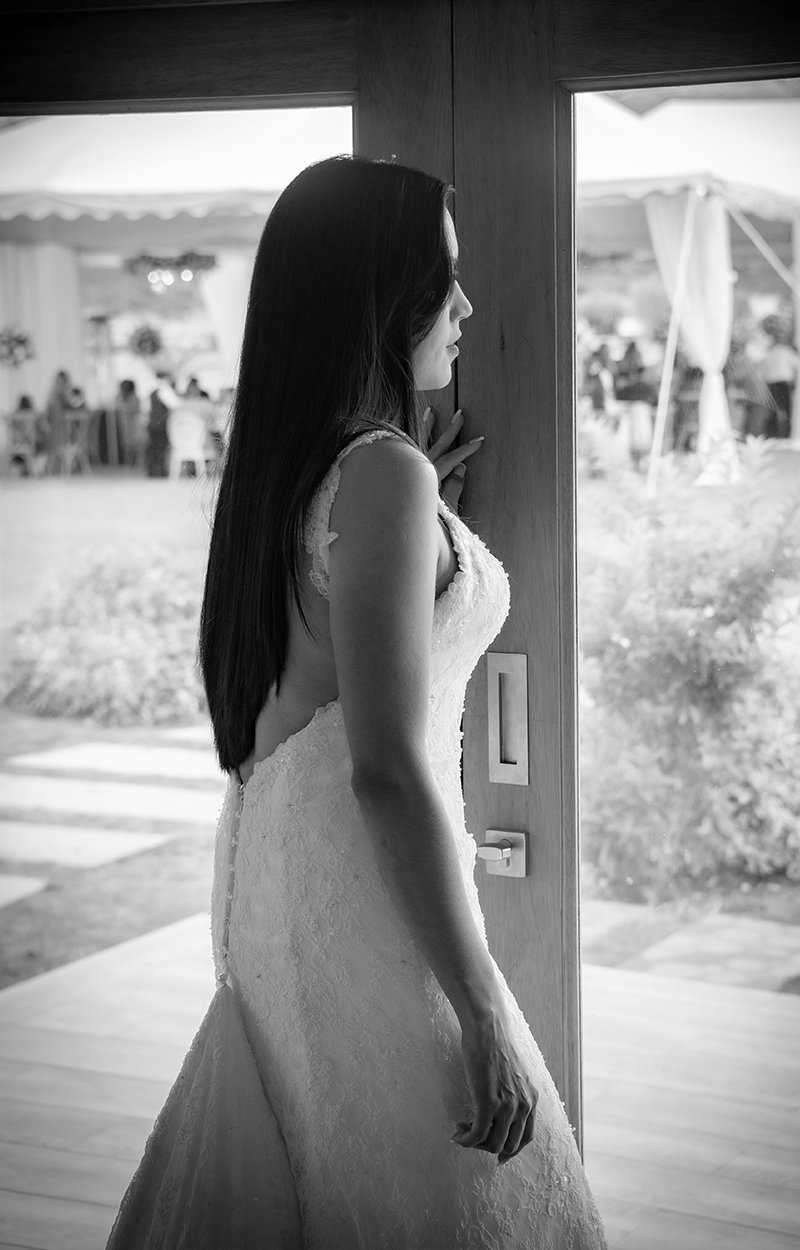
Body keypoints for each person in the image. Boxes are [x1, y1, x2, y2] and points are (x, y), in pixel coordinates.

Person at [106, 156, 607, 1249]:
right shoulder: (375, 475)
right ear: (376, 294)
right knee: (446, 1193)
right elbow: (382, 766)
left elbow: (322, 658)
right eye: (442, 278)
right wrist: (480, 1005)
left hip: (285, 878)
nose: (465, 306)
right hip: (355, 884)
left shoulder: (296, 462)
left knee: (330, 1170)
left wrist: (425, 519)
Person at [758, 315, 799, 440]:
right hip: (783, 384)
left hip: (771, 384)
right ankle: (785, 433)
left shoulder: (769, 352)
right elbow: (797, 365)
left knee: (774, 409)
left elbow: (762, 370)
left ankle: (774, 433)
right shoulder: (785, 351)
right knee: (787, 410)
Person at [114, 379, 144, 467]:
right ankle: (127, 462)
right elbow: (118, 406)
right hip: (122, 424)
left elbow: (134, 408)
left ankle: (135, 462)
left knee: (134, 444)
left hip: (133, 425)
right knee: (126, 444)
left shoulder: (135, 398)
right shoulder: (119, 397)